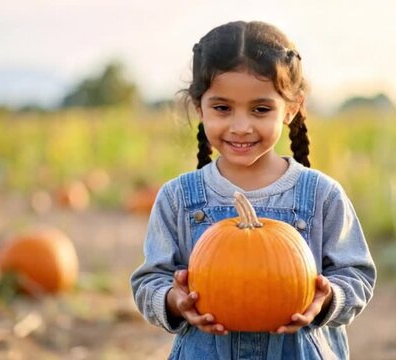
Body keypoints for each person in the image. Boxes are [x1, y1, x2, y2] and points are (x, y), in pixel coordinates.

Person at [130, 20, 376, 360]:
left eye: (260, 109)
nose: (241, 126)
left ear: (290, 108)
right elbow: (149, 281)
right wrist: (174, 301)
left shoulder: (321, 195)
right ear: (199, 107)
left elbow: (356, 274)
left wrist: (327, 298)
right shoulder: (179, 198)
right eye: (222, 108)